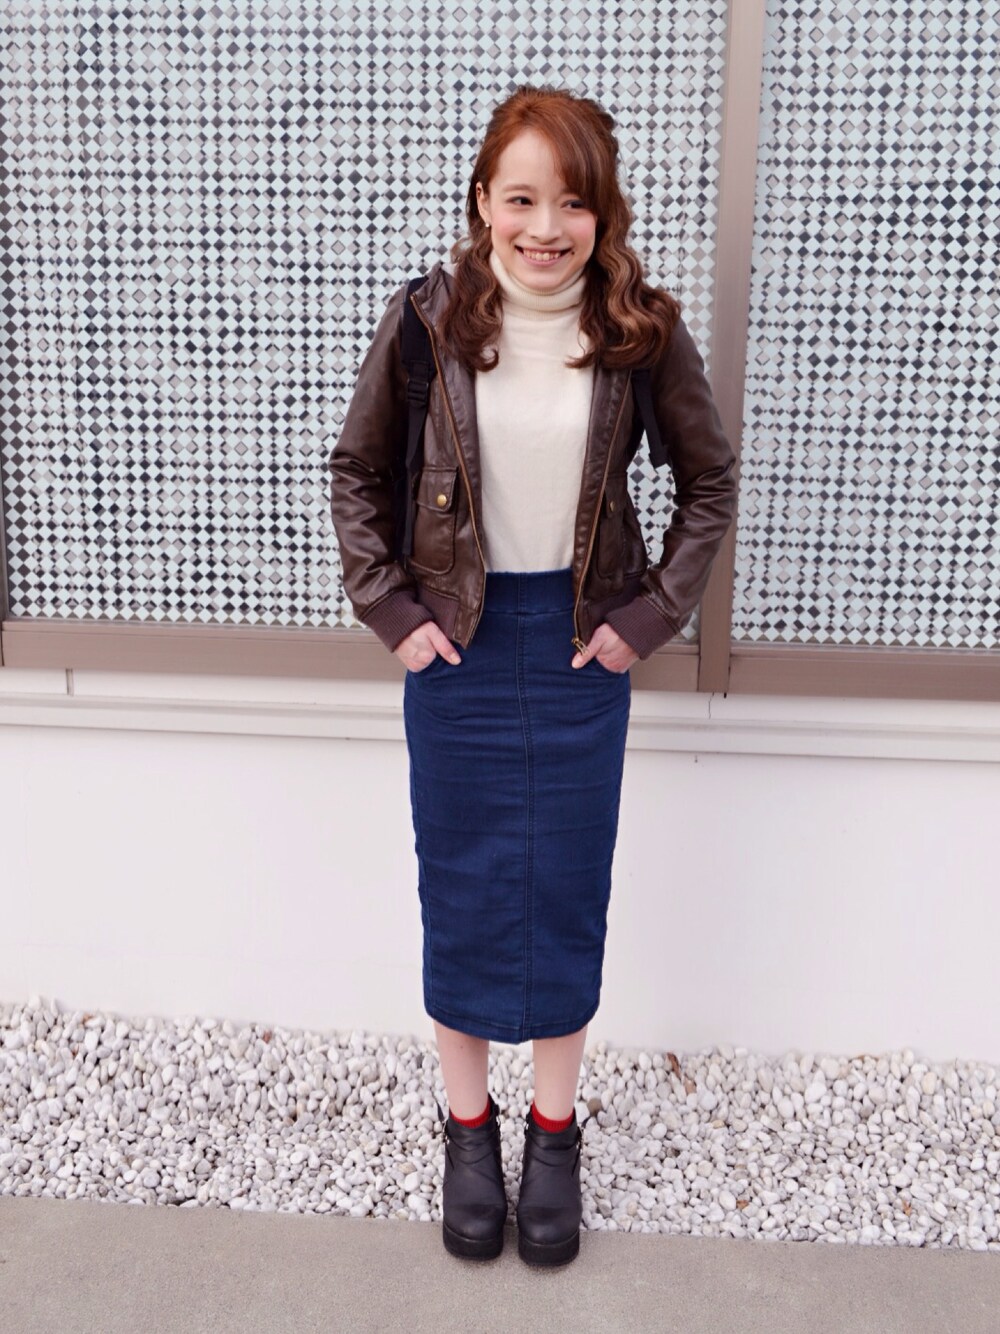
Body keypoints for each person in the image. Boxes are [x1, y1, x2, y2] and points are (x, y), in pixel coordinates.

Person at [329, 85, 738, 1267]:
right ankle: (469, 1130)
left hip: (575, 648)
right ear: (482, 202)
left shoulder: (640, 332)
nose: (544, 227)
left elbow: (708, 481)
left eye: (570, 202)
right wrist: (392, 610)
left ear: (601, 214)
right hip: (456, 643)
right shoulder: (426, 323)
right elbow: (357, 472)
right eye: (520, 199)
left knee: (563, 888)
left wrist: (647, 618)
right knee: (460, 885)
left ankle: (553, 1133)